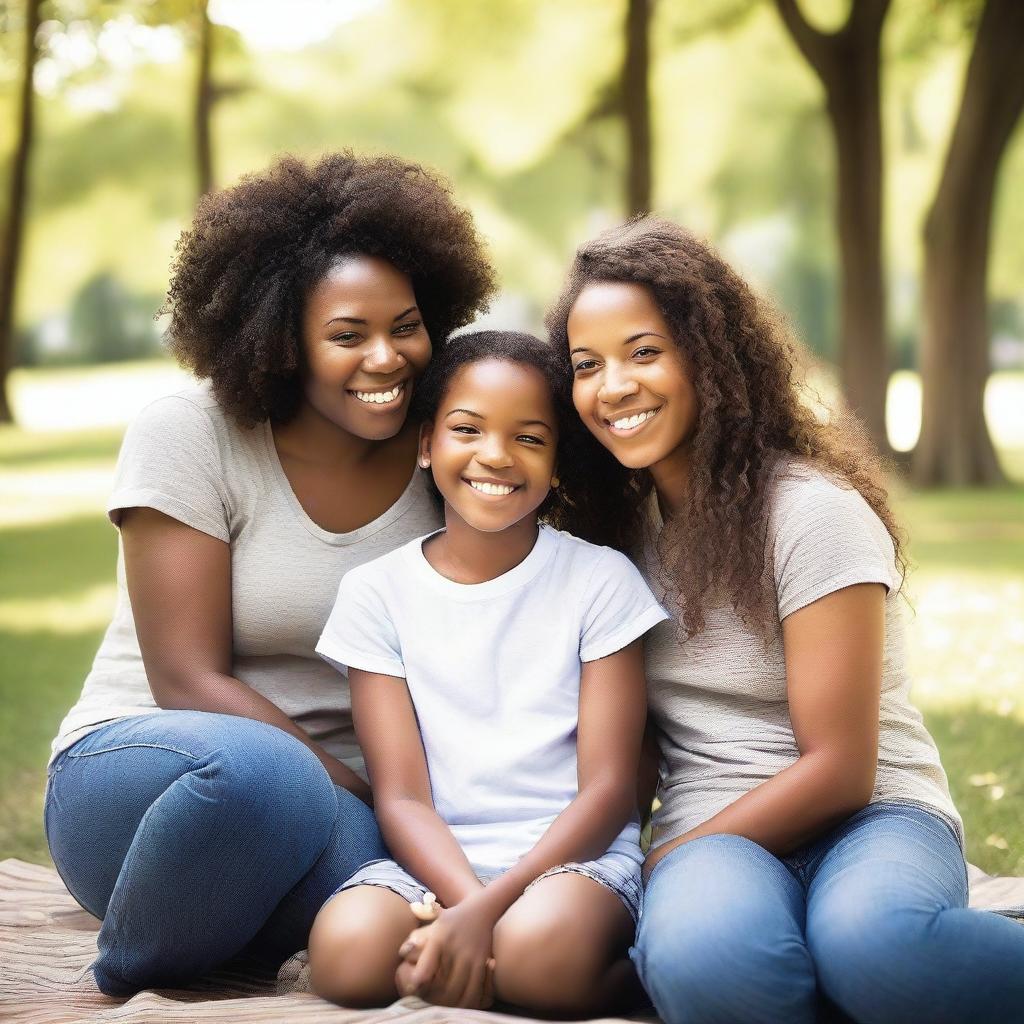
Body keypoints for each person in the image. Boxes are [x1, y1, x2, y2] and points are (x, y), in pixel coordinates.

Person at [547, 217, 1024, 1024]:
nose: (613, 386)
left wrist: (666, 858)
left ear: (710, 357)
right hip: (718, 831)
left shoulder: (810, 513)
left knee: (876, 947)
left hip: (875, 815)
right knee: (708, 964)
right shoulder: (611, 535)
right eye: (586, 365)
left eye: (643, 352)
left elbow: (841, 768)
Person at [43, 151, 494, 996]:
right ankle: (130, 973)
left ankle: (225, 939)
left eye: (405, 325)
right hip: (154, 778)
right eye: (347, 336)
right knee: (265, 777)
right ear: (281, 340)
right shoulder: (191, 432)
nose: (388, 358)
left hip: (341, 811)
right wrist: (373, 793)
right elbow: (185, 675)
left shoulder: (447, 447)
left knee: (392, 915)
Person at [307, 330, 668, 1014]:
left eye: (530, 438)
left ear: (558, 462)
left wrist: (489, 914)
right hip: (437, 862)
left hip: (573, 861)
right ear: (425, 445)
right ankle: (500, 966)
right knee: (346, 957)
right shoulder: (375, 592)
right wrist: (467, 908)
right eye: (466, 429)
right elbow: (403, 799)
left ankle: (626, 976)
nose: (495, 456)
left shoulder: (599, 582)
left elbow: (611, 788)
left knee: (537, 960)